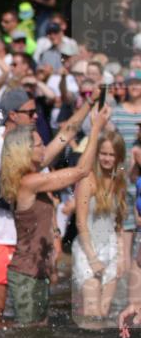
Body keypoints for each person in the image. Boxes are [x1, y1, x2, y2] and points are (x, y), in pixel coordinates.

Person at [0, 88, 90, 327]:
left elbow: (66, 134)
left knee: (35, 319)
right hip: (0, 239)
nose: (36, 116)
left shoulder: (36, 152)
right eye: (31, 111)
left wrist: (90, 104)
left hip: (31, 245)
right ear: (13, 115)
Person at [0, 105, 110, 325]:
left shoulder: (31, 175)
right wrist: (96, 129)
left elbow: (65, 134)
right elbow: (81, 171)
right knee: (30, 336)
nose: (45, 149)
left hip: (37, 271)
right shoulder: (29, 182)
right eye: (40, 145)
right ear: (26, 151)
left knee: (39, 333)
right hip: (26, 275)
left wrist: (90, 104)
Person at [71, 131, 128, 320]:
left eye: (112, 155)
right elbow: (80, 222)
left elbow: (118, 223)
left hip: (110, 247)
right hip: (88, 248)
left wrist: (122, 256)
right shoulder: (88, 180)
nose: (107, 158)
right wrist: (92, 258)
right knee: (91, 313)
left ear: (119, 157)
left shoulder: (119, 181)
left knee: (104, 313)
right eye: (103, 153)